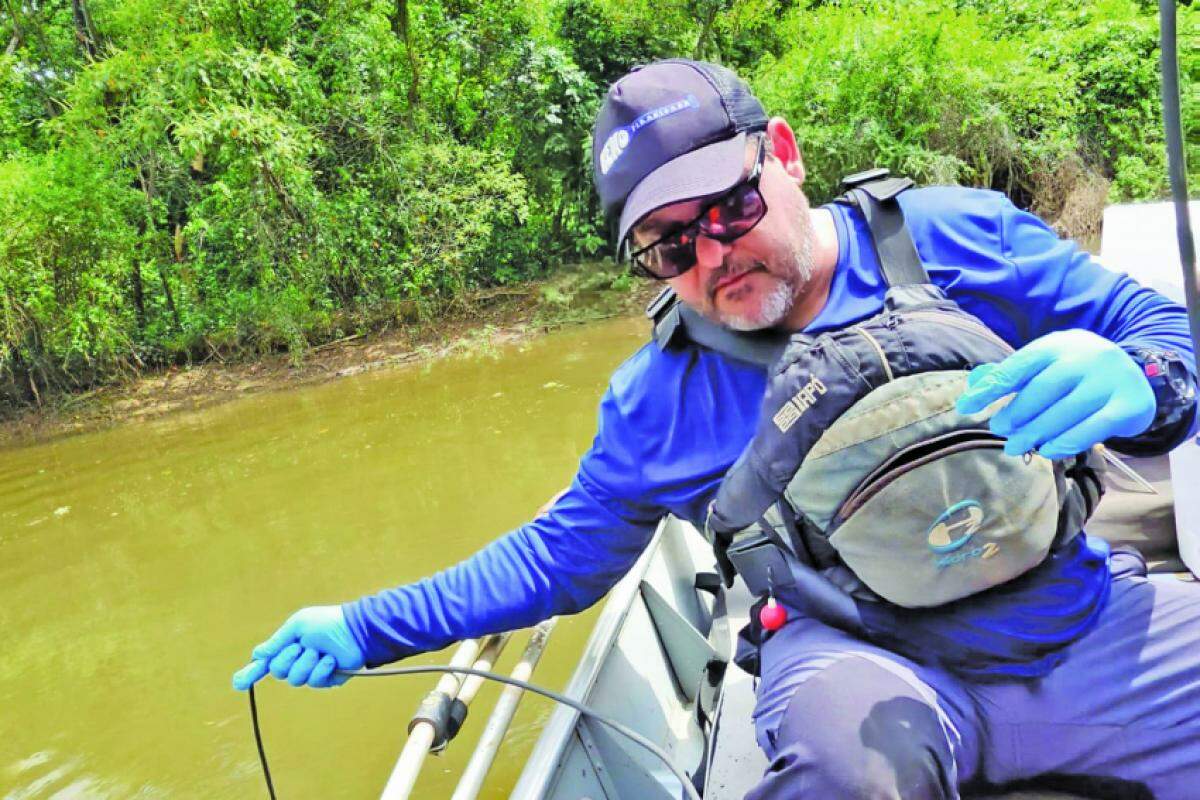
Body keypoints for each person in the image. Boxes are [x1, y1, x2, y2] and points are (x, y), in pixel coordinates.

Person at [234, 60, 1200, 798]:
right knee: (835, 771)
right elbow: (552, 564)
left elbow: (1160, 332)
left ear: (783, 152)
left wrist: (1145, 376)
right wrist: (365, 626)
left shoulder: (954, 238)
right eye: (668, 244)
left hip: (1079, 621)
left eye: (730, 207)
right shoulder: (660, 398)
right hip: (865, 661)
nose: (712, 254)